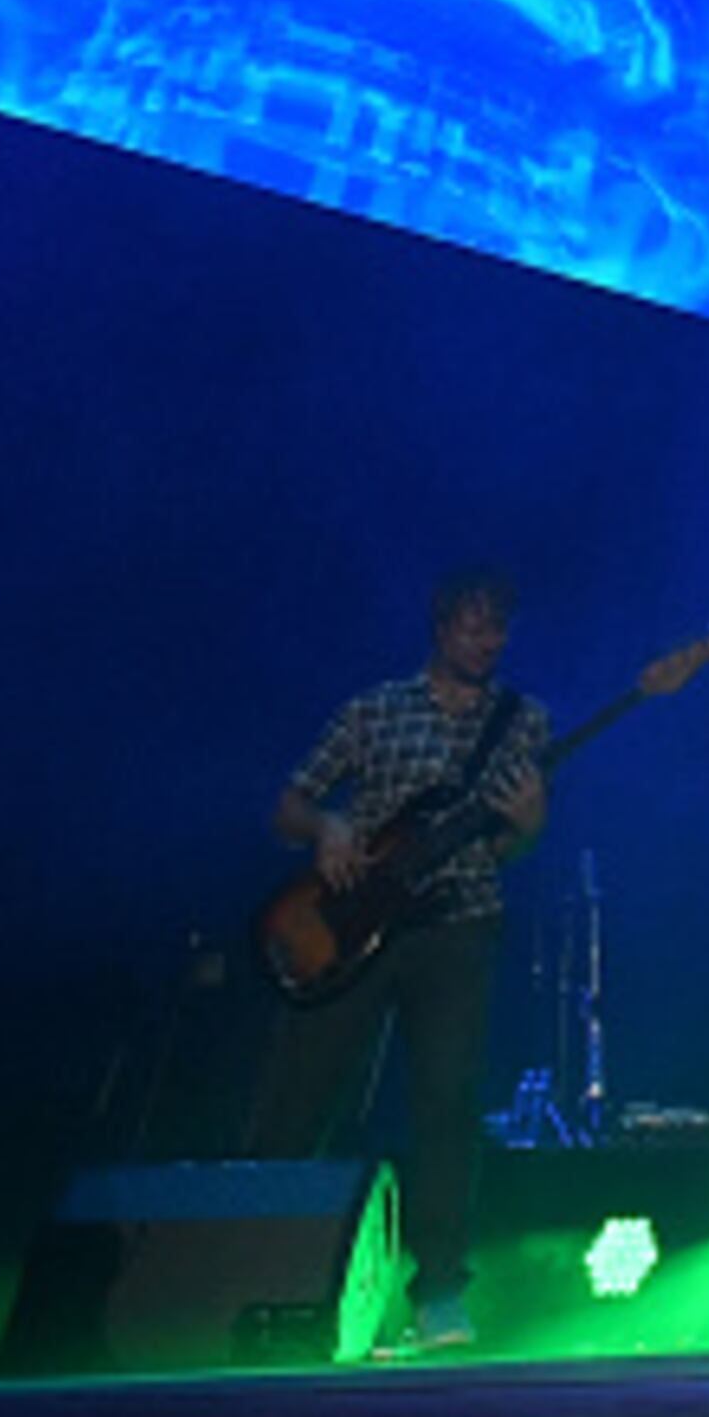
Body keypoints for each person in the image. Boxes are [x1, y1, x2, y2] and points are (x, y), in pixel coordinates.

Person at [247, 570, 549, 1355]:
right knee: (300, 1095)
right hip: (355, 932)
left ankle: (441, 1289)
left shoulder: (523, 722)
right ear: (443, 628)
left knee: (447, 1108)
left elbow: (512, 847)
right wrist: (328, 828)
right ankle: (259, 1266)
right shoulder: (373, 709)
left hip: (460, 929)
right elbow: (289, 804)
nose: (490, 643)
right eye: (477, 627)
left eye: (500, 629)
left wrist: (529, 826)